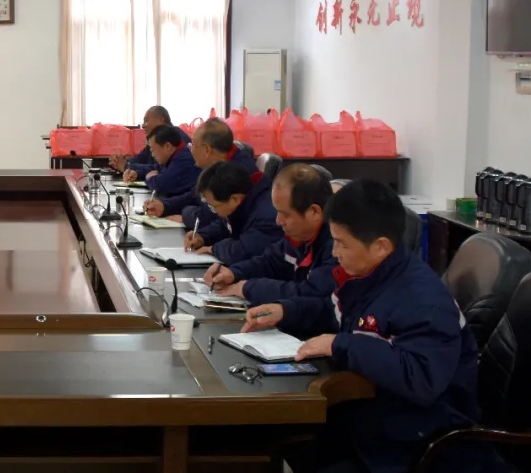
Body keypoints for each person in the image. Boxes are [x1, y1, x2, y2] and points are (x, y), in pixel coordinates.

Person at [243, 180, 500, 473]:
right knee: (268, 440)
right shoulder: (370, 275)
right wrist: (285, 311)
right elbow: (334, 311)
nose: (335, 252)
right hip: (370, 420)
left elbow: (420, 378)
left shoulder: (424, 302)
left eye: (342, 243)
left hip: (415, 446)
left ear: (380, 247)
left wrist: (339, 344)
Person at [203, 164, 337, 304]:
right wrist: (234, 273)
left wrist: (249, 288)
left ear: (314, 212)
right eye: (277, 211)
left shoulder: (338, 247)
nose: (278, 221)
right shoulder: (299, 237)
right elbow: (270, 262)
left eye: (285, 214)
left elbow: (312, 294)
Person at [143, 117, 257, 220]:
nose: (190, 150)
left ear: (207, 150)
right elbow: (196, 195)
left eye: (192, 145)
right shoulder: (218, 163)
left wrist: (186, 217)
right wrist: (164, 206)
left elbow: (213, 216)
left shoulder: (235, 173)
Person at [183, 161, 282, 265]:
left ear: (234, 199)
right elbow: (226, 224)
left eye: (214, 207)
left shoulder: (268, 214)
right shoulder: (244, 196)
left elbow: (244, 251)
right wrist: (203, 236)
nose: (214, 212)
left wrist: (213, 249)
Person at [139, 124, 202, 198]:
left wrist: (149, 178)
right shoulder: (177, 153)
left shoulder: (183, 159)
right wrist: (137, 173)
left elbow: (161, 185)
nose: (152, 155)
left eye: (153, 150)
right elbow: (157, 168)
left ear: (167, 146)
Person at [110, 106, 171, 178]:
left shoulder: (174, 139)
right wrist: (118, 161)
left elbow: (160, 169)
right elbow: (139, 159)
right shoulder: (154, 140)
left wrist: (126, 166)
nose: (143, 126)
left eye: (146, 121)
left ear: (161, 120)